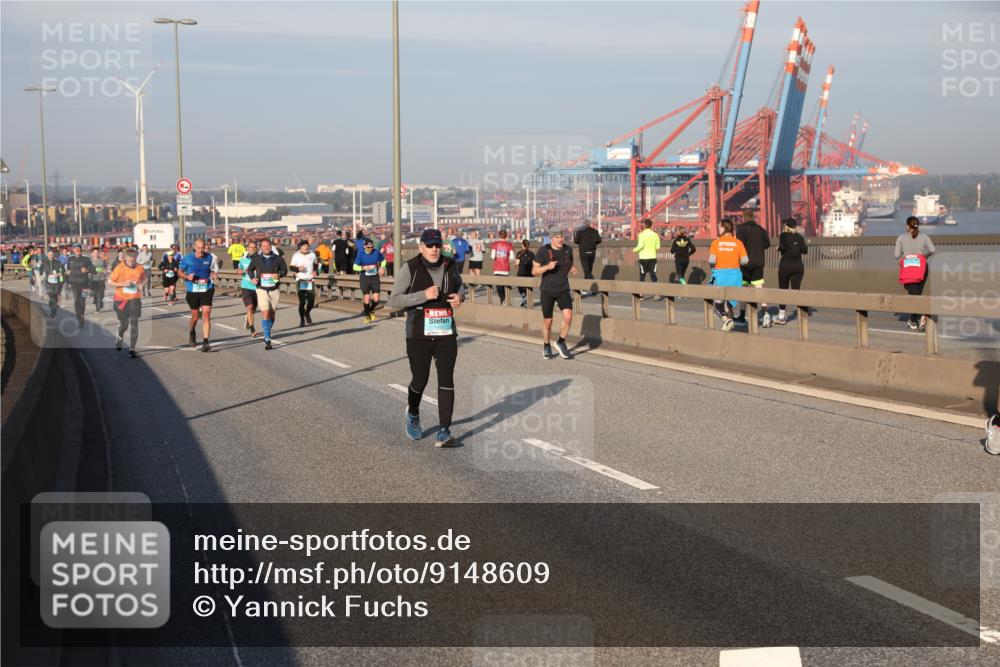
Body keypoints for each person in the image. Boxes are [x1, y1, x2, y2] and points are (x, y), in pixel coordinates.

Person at [387, 228, 463, 448]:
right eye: (429, 245)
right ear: (421, 247)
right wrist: (423, 295)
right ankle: (412, 413)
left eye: (437, 245)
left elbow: (461, 287)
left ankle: (444, 431)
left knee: (446, 379)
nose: (434, 249)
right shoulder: (410, 267)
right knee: (420, 380)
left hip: (445, 333)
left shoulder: (450, 265)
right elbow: (394, 300)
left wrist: (460, 297)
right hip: (418, 334)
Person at [532, 226, 577, 359]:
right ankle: (546, 346)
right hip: (547, 290)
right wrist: (547, 267)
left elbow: (568, 264)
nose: (560, 239)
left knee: (568, 316)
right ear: (551, 238)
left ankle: (561, 342)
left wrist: (572, 268)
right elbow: (534, 271)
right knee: (548, 322)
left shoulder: (568, 250)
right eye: (557, 237)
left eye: (561, 236)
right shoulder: (544, 251)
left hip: (563, 288)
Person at [894, 216, 936, 331]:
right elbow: (932, 250)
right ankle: (913, 320)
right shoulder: (924, 236)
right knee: (916, 295)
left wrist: (906, 255)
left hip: (908, 268)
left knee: (914, 295)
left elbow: (896, 255)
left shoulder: (901, 238)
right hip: (922, 267)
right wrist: (923, 256)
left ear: (908, 226)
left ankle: (923, 314)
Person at [246, 238, 288, 350]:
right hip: (261, 289)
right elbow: (250, 270)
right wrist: (253, 279)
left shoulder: (278, 258)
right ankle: (267, 337)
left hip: (274, 289)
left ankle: (267, 330)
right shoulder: (256, 259)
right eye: (264, 246)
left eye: (268, 246)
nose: (266, 248)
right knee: (265, 312)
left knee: (272, 314)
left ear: (271, 246)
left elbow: (285, 270)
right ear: (261, 247)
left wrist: (279, 275)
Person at [708, 219, 749, 332]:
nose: (718, 229)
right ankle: (730, 323)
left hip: (721, 275)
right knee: (729, 303)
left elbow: (711, 261)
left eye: (719, 227)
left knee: (717, 305)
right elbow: (745, 261)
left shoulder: (716, 243)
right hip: (735, 275)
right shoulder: (738, 243)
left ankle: (726, 319)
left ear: (723, 228)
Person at [178, 238, 218, 352]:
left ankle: (206, 342)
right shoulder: (188, 258)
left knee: (206, 313)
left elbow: (207, 271)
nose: (201, 250)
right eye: (198, 248)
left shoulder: (209, 257)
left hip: (207, 288)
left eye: (202, 248)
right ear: (195, 247)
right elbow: (179, 272)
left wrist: (213, 274)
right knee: (195, 316)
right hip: (192, 290)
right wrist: (187, 277)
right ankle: (192, 331)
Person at [735, 210, 772, 327]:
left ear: (743, 218)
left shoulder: (740, 229)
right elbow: (767, 244)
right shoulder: (761, 230)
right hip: (758, 262)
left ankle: (741, 316)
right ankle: (766, 313)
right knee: (759, 287)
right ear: (753, 217)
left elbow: (739, 245)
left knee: (743, 288)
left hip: (745, 263)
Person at [108, 247, 145, 358]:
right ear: (125, 257)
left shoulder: (140, 267)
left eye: (133, 256)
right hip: (121, 299)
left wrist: (141, 285)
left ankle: (132, 348)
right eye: (129, 256)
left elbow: (144, 278)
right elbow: (110, 282)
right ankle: (120, 335)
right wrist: (123, 284)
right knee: (124, 324)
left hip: (134, 298)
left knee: (134, 323)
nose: (131, 259)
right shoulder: (119, 268)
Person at [775, 218, 808, 325]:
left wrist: (778, 248)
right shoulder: (799, 237)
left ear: (787, 226)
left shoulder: (783, 235)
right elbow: (804, 251)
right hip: (798, 266)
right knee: (796, 290)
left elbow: (783, 247)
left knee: (783, 291)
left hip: (785, 266)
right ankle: (802, 314)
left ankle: (781, 317)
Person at [353, 237, 386, 323]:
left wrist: (382, 267)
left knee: (376, 299)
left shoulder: (376, 252)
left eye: (371, 247)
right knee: (367, 298)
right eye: (368, 247)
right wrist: (363, 267)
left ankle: (370, 310)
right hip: (365, 277)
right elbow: (354, 267)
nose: (370, 249)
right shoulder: (361, 254)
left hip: (375, 277)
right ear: (364, 247)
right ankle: (367, 316)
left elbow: (383, 260)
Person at [290, 240, 318, 327]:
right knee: (302, 302)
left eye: (307, 246)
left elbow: (316, 265)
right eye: (304, 246)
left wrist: (316, 272)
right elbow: (291, 267)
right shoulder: (296, 255)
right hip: (300, 280)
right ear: (300, 247)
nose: (306, 247)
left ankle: (307, 313)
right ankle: (302, 319)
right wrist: (298, 269)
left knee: (311, 302)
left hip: (310, 280)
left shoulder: (313, 255)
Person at [65, 243, 95, 326]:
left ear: (80, 250)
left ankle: (82, 315)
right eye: (75, 248)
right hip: (74, 283)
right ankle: (79, 317)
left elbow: (93, 270)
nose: (77, 250)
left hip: (84, 283)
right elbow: (67, 271)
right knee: (77, 300)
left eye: (78, 248)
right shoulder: (70, 259)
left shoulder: (86, 259)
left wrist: (87, 270)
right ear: (73, 250)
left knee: (83, 301)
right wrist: (67, 282)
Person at [574, 218, 602, 294]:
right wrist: (593, 244)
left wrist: (575, 234)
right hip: (592, 252)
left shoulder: (580, 231)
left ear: (583, 224)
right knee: (589, 270)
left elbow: (576, 241)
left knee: (586, 271)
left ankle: (589, 288)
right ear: (589, 224)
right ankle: (589, 288)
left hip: (583, 252)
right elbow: (599, 240)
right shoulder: (594, 231)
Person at [633, 218, 661, 298]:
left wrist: (634, 250)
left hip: (643, 258)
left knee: (642, 275)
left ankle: (641, 294)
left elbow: (640, 246)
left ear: (644, 225)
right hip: (652, 257)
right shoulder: (655, 235)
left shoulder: (641, 235)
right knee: (653, 275)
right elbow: (658, 247)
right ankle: (656, 293)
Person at [237, 240, 259, 335]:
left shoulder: (260, 259)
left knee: (253, 308)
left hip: (257, 287)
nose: (252, 249)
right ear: (247, 248)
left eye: (254, 247)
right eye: (251, 247)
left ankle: (248, 319)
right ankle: (252, 329)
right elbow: (238, 269)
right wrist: (240, 271)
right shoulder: (243, 259)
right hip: (246, 286)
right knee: (249, 307)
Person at [490, 229, 515, 305]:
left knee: (499, 287)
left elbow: (492, 256)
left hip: (497, 268)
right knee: (505, 285)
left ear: (499, 235)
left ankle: (502, 300)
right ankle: (504, 300)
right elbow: (512, 257)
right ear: (506, 235)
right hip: (505, 268)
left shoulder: (495, 244)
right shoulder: (509, 245)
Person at [39, 247, 66, 318]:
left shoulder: (58, 262)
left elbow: (62, 270)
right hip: (48, 282)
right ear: (47, 255)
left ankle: (55, 306)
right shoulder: (44, 262)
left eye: (52, 254)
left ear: (53, 255)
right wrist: (41, 275)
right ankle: (52, 310)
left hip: (56, 282)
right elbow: (41, 269)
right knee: (51, 297)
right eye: (49, 254)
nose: (50, 256)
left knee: (55, 296)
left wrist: (59, 274)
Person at [515, 239, 535, 307]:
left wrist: (515, 265)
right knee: (529, 287)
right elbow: (534, 263)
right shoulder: (532, 253)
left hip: (521, 272)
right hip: (529, 273)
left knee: (519, 285)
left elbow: (517, 263)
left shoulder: (519, 253)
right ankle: (529, 300)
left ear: (522, 245)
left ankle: (523, 296)